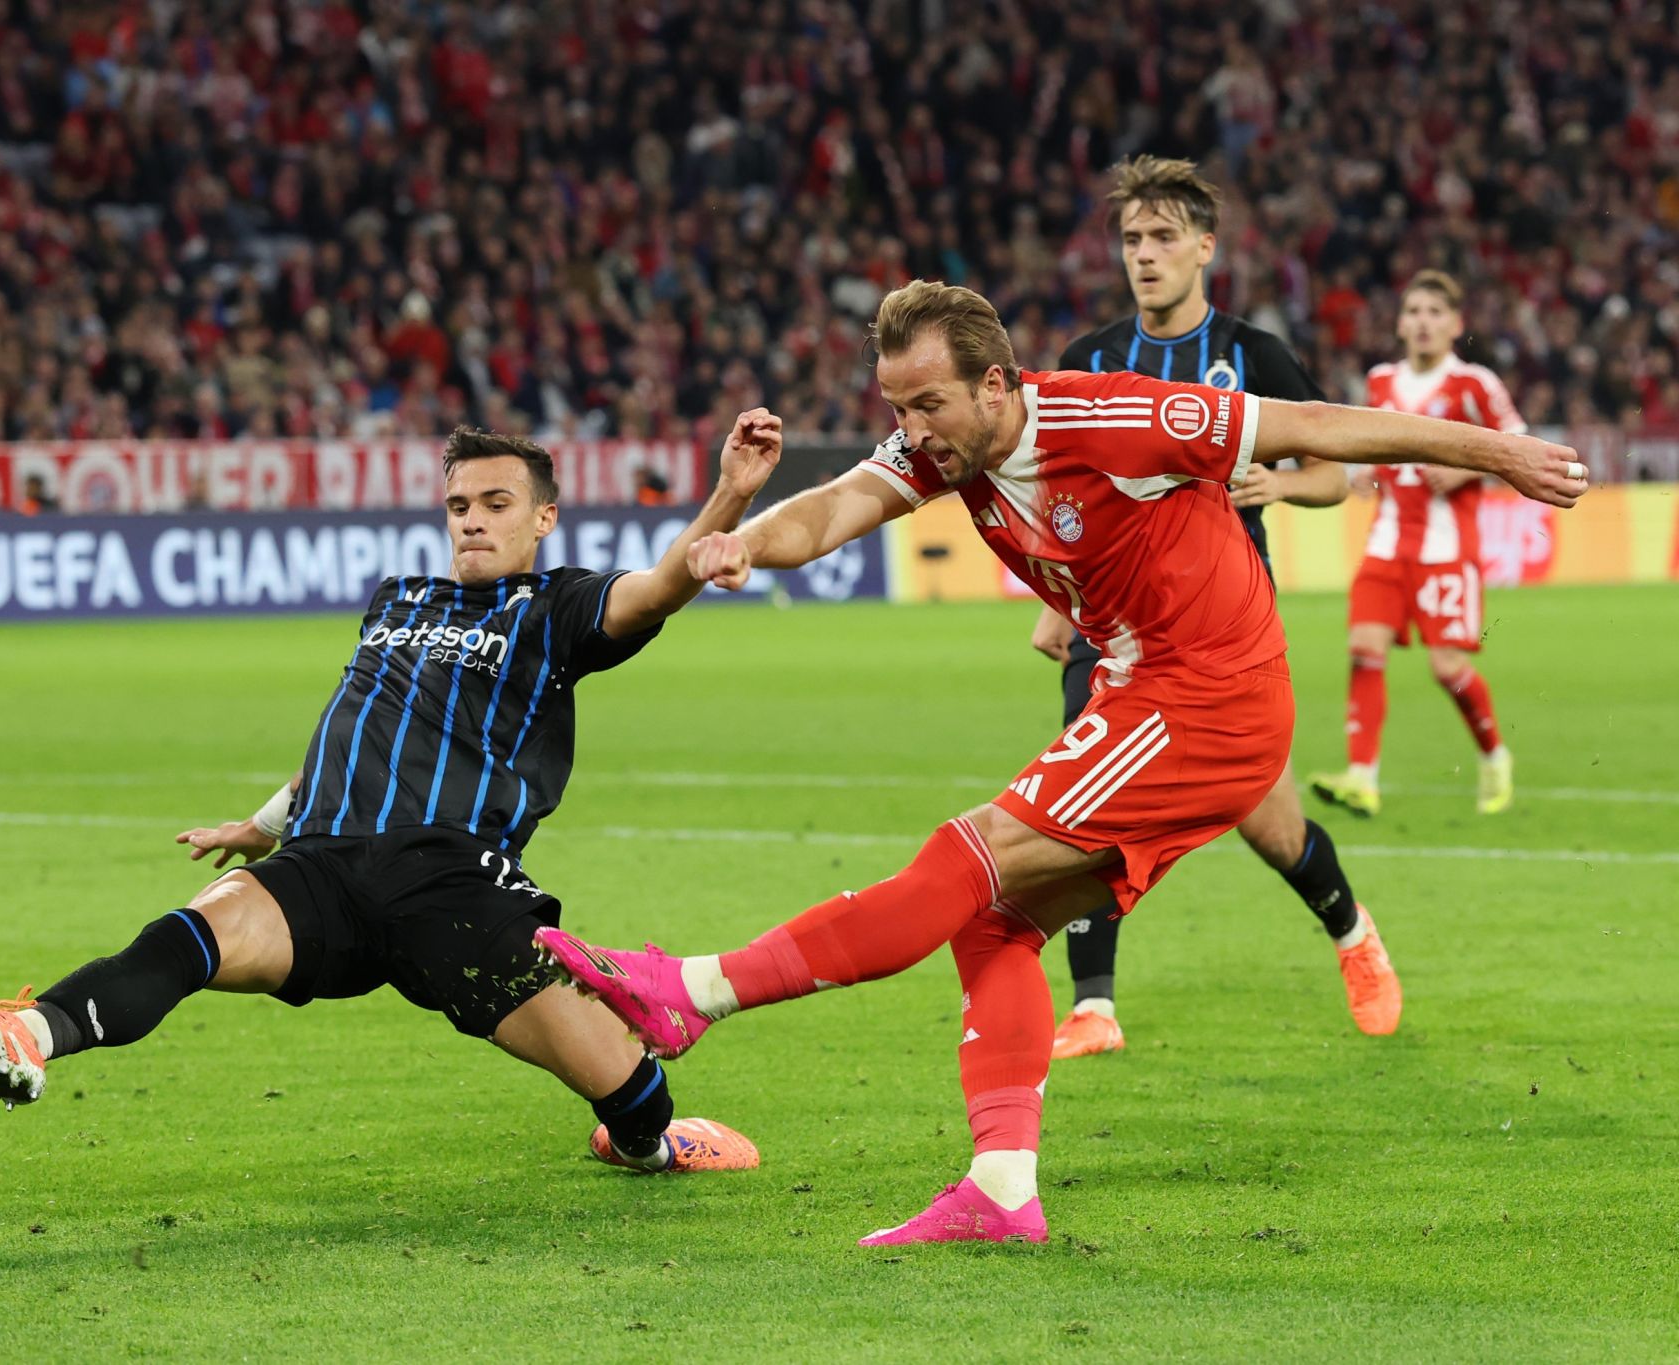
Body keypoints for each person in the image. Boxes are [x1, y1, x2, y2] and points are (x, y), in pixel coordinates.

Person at [537, 282, 1586, 1245]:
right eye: (897, 406)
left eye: (928, 404)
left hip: (1205, 695)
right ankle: (1001, 1190)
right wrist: (743, 541)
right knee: (997, 920)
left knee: (969, 854)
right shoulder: (941, 449)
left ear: (995, 384)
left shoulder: (1117, 418)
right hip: (1149, 688)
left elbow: (1315, 426)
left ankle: (694, 992)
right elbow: (833, 508)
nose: (912, 430)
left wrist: (1499, 451)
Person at [0, 422, 783, 1175]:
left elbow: (657, 587)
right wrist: (262, 824)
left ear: (543, 518)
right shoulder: (397, 600)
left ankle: (647, 1145)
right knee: (188, 935)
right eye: (459, 505)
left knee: (627, 1085)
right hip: (322, 862)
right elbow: (354, 726)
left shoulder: (557, 606)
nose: (473, 519)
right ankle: (26, 1036)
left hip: (450, 882)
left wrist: (729, 497)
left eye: (497, 503)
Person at [1038, 156, 1394, 1057]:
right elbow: (1056, 492)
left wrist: (1279, 483)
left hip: (1220, 630)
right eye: (1132, 239)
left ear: (1205, 247)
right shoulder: (1089, 361)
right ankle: (1093, 1007)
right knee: (1084, 808)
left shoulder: (1253, 356)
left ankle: (1352, 931)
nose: (1144, 254)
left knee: (1270, 826)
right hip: (1108, 625)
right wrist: (1054, 599)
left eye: (1163, 237)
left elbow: (1334, 474)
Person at [1310, 272, 1524, 818]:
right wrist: (1366, 471)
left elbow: (1519, 444)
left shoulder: (1474, 383)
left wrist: (1465, 470)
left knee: (1447, 668)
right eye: (1414, 312)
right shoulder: (1380, 381)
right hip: (1386, 543)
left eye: (1434, 312)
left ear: (1455, 324)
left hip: (1445, 550)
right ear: (1400, 324)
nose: (1423, 322)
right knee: (1364, 648)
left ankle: (1494, 755)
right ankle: (1362, 778)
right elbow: (1370, 443)